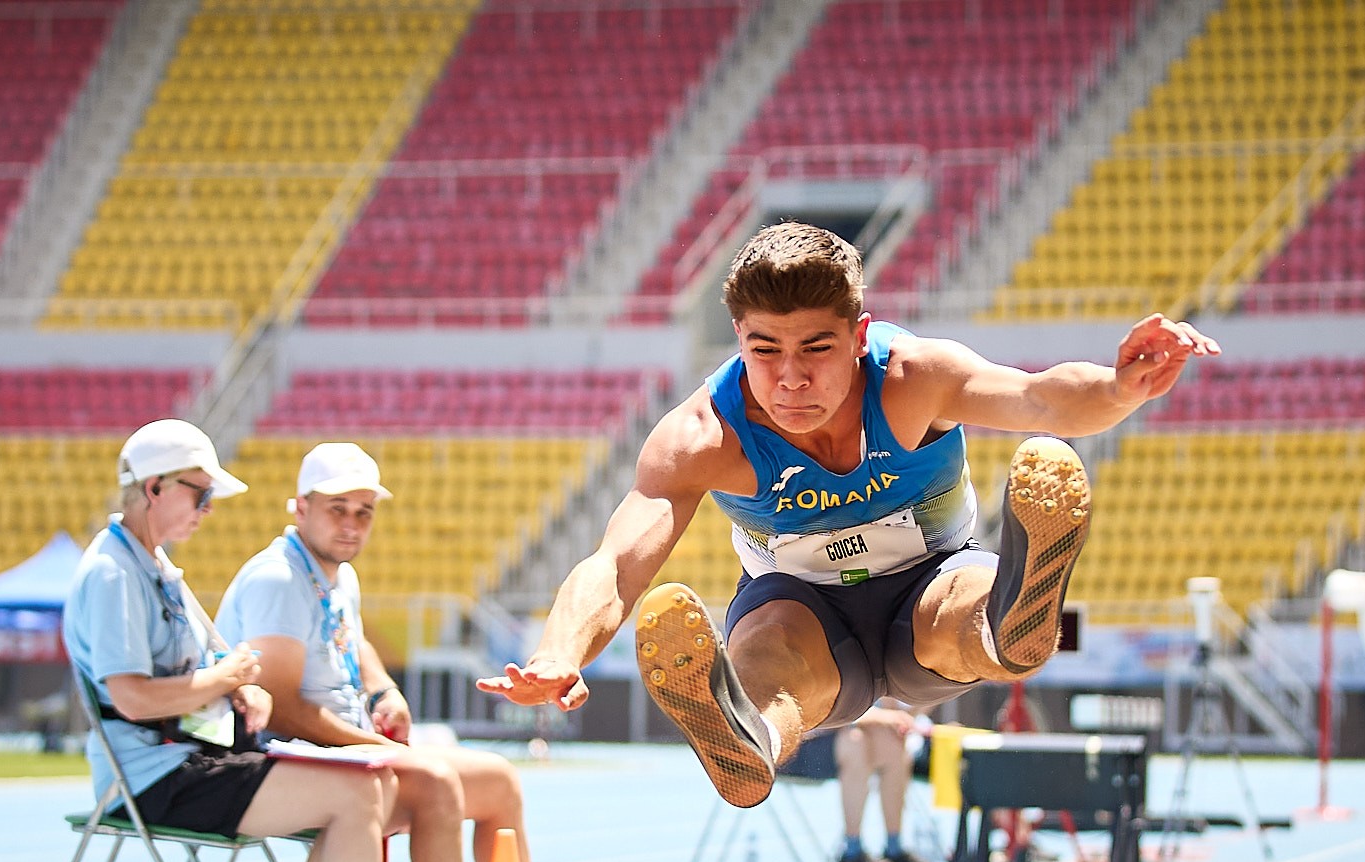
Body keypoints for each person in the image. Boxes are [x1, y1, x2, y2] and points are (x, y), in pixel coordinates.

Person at [478, 221, 1218, 806]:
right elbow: (616, 563)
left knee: (956, 607)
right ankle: (752, 738)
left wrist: (1121, 390)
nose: (790, 376)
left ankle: (1009, 622)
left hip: (927, 582)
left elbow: (1038, 399)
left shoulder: (911, 378)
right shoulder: (703, 434)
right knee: (763, 646)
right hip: (802, 607)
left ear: (860, 337)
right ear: (738, 339)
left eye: (816, 349)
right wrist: (557, 653)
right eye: (764, 350)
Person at [64, 419, 457, 862]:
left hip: (195, 758)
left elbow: (212, 669)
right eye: (201, 494)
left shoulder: (154, 567)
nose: (208, 509)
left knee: (373, 781)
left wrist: (242, 688)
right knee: (359, 789)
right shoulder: (115, 573)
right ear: (154, 488)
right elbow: (134, 699)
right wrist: (226, 682)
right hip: (152, 777)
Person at [215, 442, 600, 862]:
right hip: (285, 756)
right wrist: (371, 743)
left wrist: (381, 689)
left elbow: (354, 639)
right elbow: (280, 707)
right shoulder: (277, 578)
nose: (351, 524)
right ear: (298, 507)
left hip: (337, 746)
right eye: (336, 508)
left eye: (363, 511)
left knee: (498, 781)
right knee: (435, 780)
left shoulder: (335, 573)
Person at [833, 702, 939, 862]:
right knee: (855, 741)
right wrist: (885, 717)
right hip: (809, 743)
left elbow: (899, 713)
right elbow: (831, 710)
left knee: (893, 742)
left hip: (859, 728)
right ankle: (851, 851)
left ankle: (894, 847)